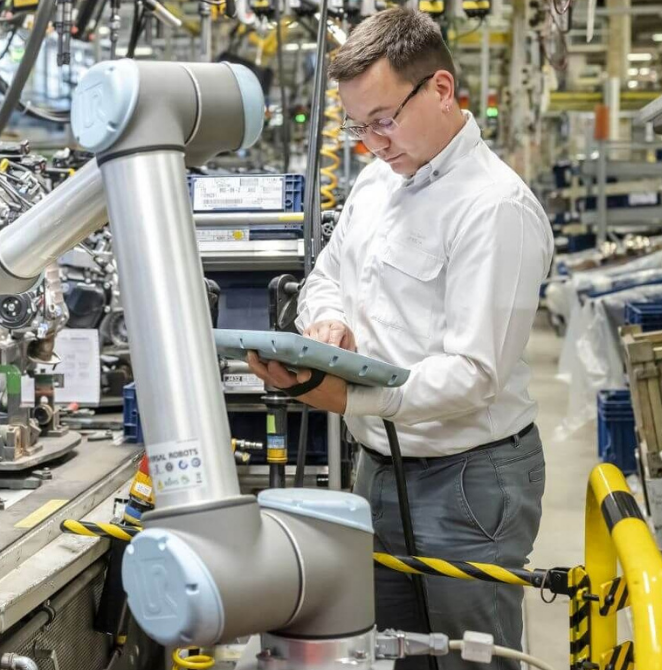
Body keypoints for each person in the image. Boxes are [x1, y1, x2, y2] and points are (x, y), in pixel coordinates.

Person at [246, 8, 553, 669]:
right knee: (387, 653)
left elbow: (474, 374)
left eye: (383, 120)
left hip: (468, 477)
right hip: (378, 469)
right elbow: (326, 275)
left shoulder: (493, 207)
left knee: (474, 659)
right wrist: (325, 323)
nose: (373, 142)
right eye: (358, 127)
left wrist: (351, 397)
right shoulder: (377, 182)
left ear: (440, 89)